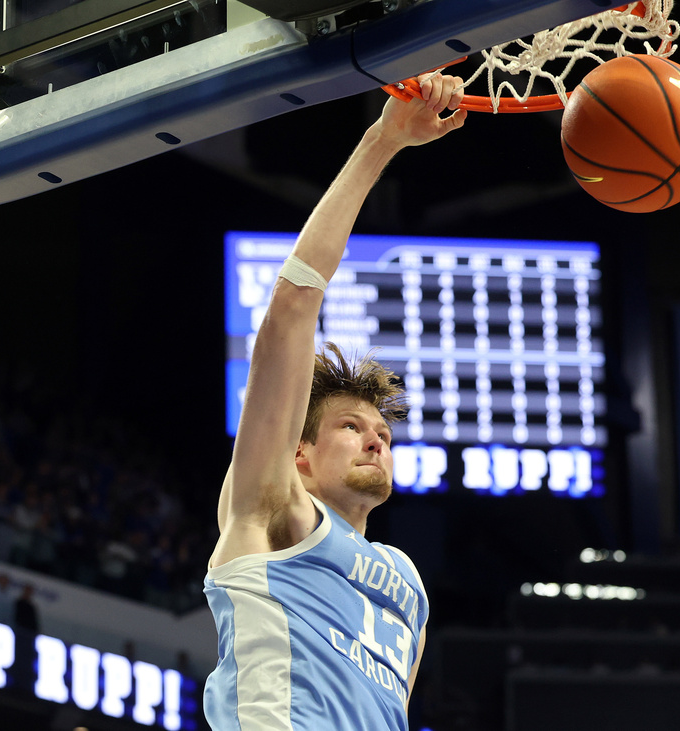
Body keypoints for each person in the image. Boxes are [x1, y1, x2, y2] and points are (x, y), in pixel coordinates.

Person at [203, 73, 467, 731]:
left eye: (381, 430)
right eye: (351, 426)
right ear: (298, 453)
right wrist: (383, 142)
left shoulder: (407, 585)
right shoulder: (271, 510)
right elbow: (295, 305)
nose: (377, 438)